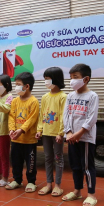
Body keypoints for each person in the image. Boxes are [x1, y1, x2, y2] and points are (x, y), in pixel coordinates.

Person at [62, 64, 99, 206]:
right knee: (75, 166)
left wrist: (79, 133)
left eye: (75, 77)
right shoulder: (70, 95)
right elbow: (66, 115)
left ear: (86, 79)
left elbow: (92, 118)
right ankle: (77, 191)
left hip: (85, 138)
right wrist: (69, 132)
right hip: (72, 138)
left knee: (88, 167)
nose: (72, 81)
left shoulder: (92, 96)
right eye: (71, 77)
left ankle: (91, 195)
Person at [35, 67, 66, 197]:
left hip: (57, 134)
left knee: (58, 158)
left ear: (56, 79)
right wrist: (39, 130)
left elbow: (64, 116)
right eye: (45, 79)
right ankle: (49, 184)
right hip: (46, 133)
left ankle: (58, 186)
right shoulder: (45, 97)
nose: (46, 82)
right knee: (48, 158)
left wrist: (60, 133)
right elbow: (42, 115)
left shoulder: (63, 97)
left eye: (48, 79)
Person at [6, 72, 39, 192]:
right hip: (16, 138)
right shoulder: (15, 101)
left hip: (29, 140)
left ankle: (31, 182)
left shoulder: (34, 101)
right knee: (15, 160)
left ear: (27, 86)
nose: (16, 87)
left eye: (18, 84)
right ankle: (17, 180)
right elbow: (11, 116)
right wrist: (12, 129)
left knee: (30, 162)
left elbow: (32, 119)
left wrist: (21, 130)